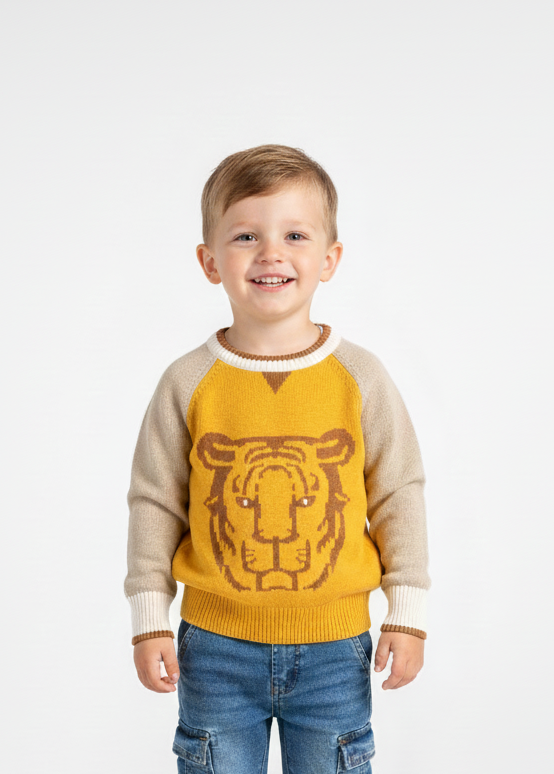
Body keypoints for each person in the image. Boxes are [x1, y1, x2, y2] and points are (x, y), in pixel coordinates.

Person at [124, 143, 431, 773]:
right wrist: (150, 617)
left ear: (329, 259)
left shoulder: (360, 377)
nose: (271, 253)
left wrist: (407, 612)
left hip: (335, 646)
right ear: (210, 261)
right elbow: (154, 500)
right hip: (214, 646)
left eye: (295, 234)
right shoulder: (188, 381)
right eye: (246, 236)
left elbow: (398, 492)